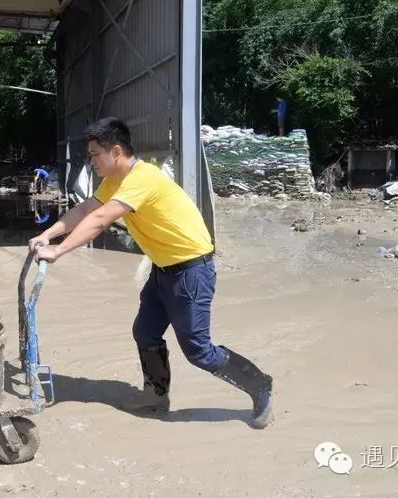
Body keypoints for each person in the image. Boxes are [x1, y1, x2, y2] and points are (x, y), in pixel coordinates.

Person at [29, 117, 274, 429]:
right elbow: (85, 210)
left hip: (191, 271)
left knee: (199, 351)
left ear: (115, 151)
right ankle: (156, 396)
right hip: (163, 270)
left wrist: (59, 251)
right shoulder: (115, 181)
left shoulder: (143, 178)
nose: (91, 162)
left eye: (94, 154)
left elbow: (101, 220)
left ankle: (260, 385)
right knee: (145, 332)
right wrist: (48, 235)